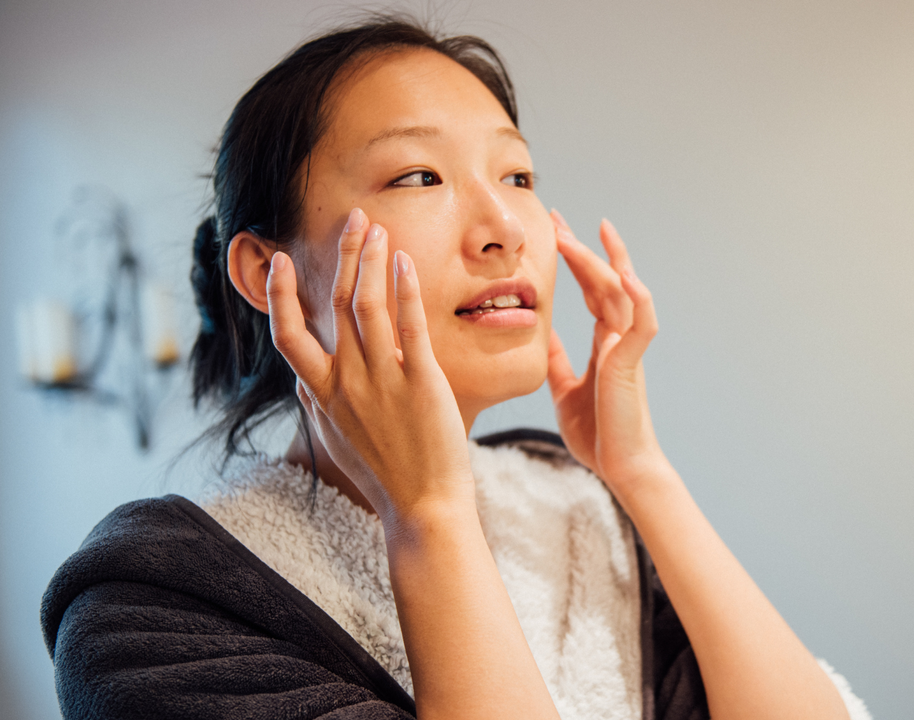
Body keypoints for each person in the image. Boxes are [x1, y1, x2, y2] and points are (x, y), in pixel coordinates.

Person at [40, 16, 871, 720]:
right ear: (266, 272)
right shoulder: (150, 603)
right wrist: (430, 513)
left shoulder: (576, 506)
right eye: (420, 175)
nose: (505, 225)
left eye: (518, 174)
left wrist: (639, 472)